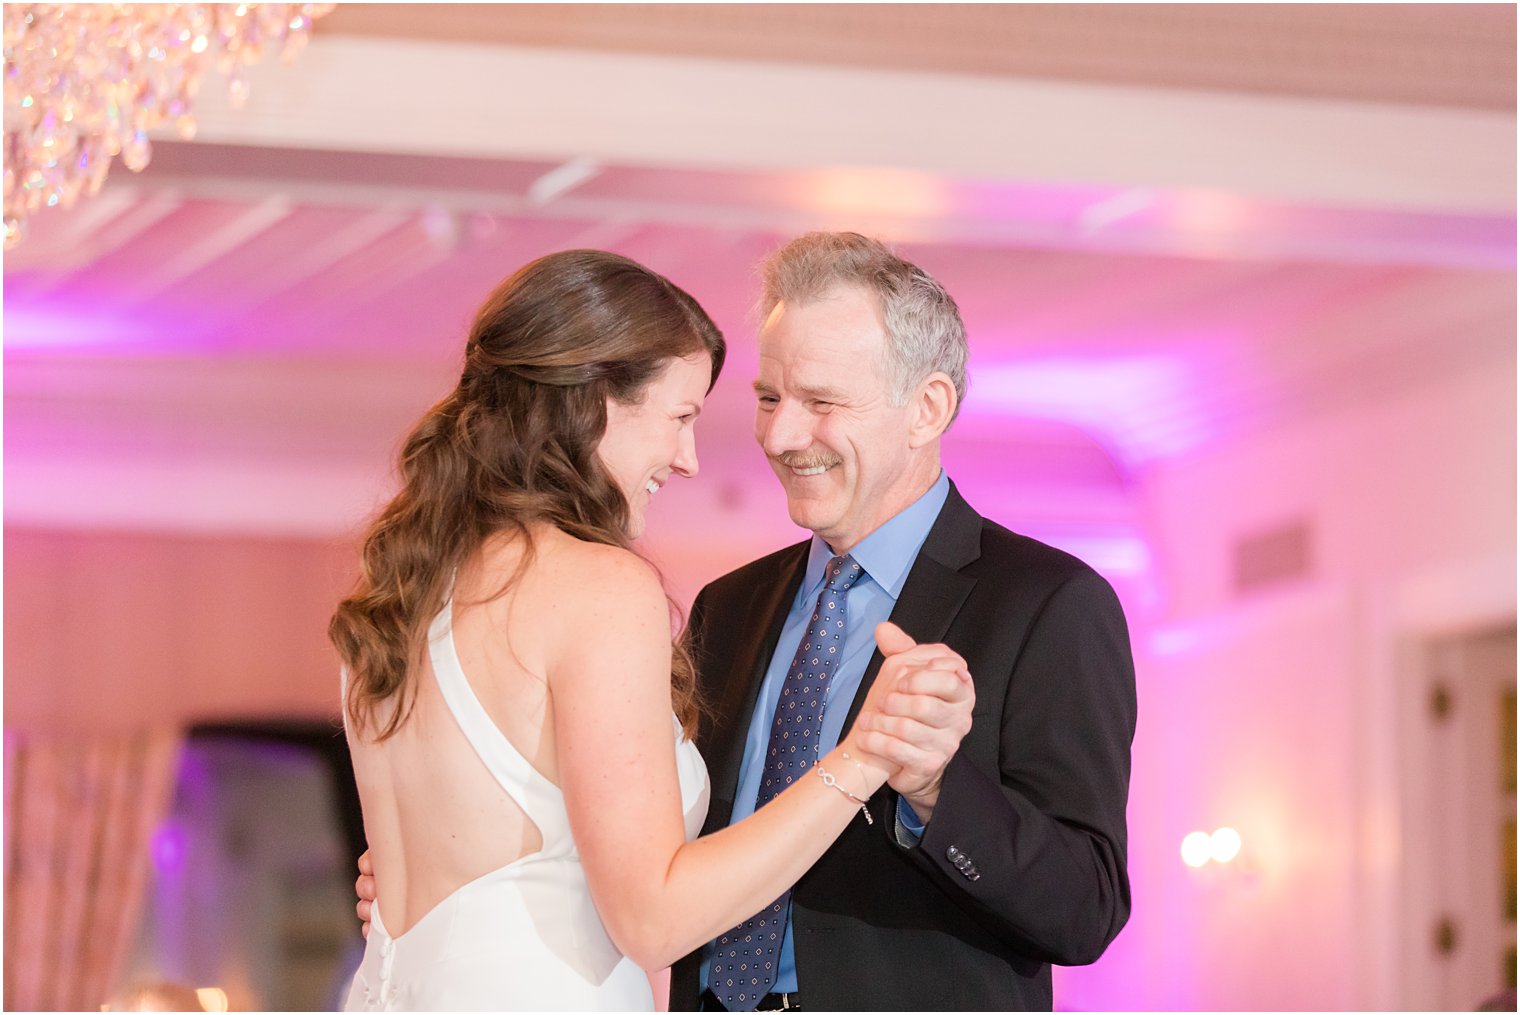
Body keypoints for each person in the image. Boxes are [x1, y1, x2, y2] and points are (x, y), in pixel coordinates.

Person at [332, 249, 972, 1012]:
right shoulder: (598, 586)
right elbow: (653, 918)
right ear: (597, 401)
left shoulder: (400, 588)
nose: (690, 459)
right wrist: (865, 756)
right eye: (679, 417)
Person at [667, 232, 1137, 1011]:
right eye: (768, 398)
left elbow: (1083, 907)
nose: (781, 435)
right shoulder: (729, 605)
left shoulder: (1050, 603)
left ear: (927, 409)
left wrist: (935, 788)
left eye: (821, 402)